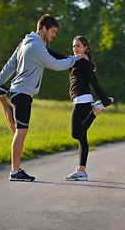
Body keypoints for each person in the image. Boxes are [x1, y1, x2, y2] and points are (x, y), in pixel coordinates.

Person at [0, 14, 88, 182]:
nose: (54, 35)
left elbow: (11, 64)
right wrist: (75, 58)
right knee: (20, 132)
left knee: (17, 129)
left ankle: (2, 96)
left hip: (19, 91)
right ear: (43, 28)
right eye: (53, 31)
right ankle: (15, 171)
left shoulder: (24, 43)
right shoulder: (36, 46)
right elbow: (55, 64)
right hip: (23, 92)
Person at [48, 36, 114, 181]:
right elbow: (59, 56)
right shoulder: (75, 61)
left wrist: (105, 100)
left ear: (86, 48)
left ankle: (95, 112)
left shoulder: (83, 63)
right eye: (73, 46)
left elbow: (93, 82)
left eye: (78, 46)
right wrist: (41, 47)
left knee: (76, 134)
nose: (75, 48)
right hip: (81, 100)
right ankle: (81, 171)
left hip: (83, 101)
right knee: (82, 138)